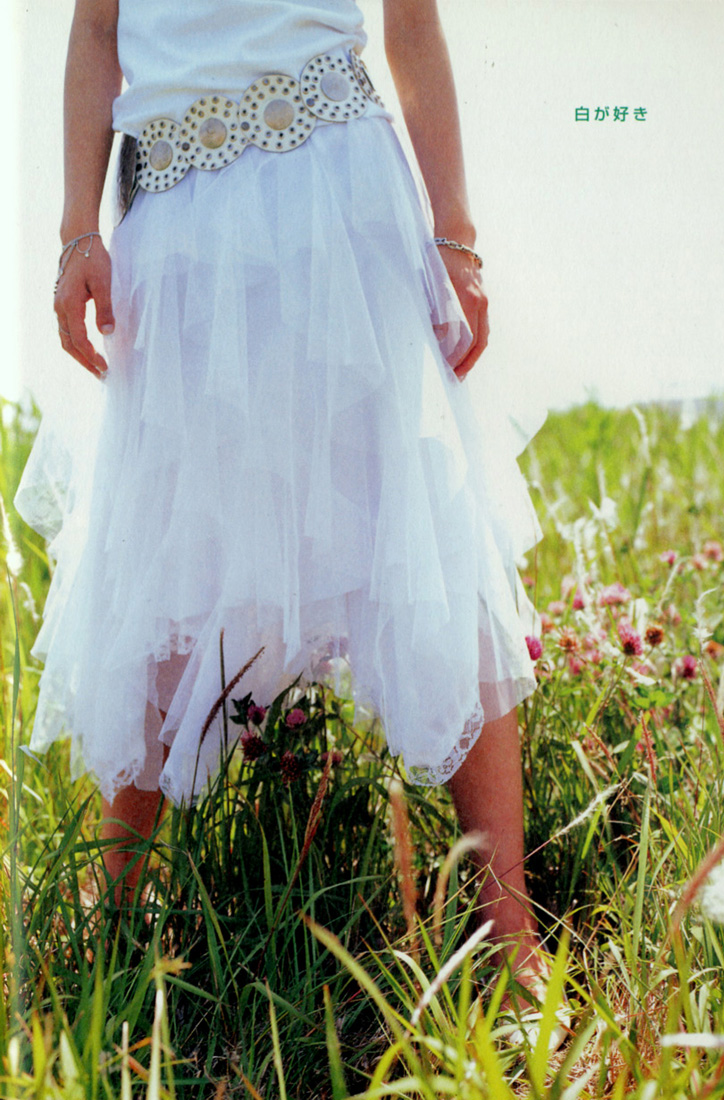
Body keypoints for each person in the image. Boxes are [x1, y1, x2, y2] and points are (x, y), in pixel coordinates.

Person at [20, 0, 546, 993]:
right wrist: (74, 231)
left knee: (418, 523)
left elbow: (411, 19)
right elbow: (95, 29)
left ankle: (508, 937)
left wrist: (456, 234)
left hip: (337, 199)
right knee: (167, 552)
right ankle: (108, 929)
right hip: (174, 226)